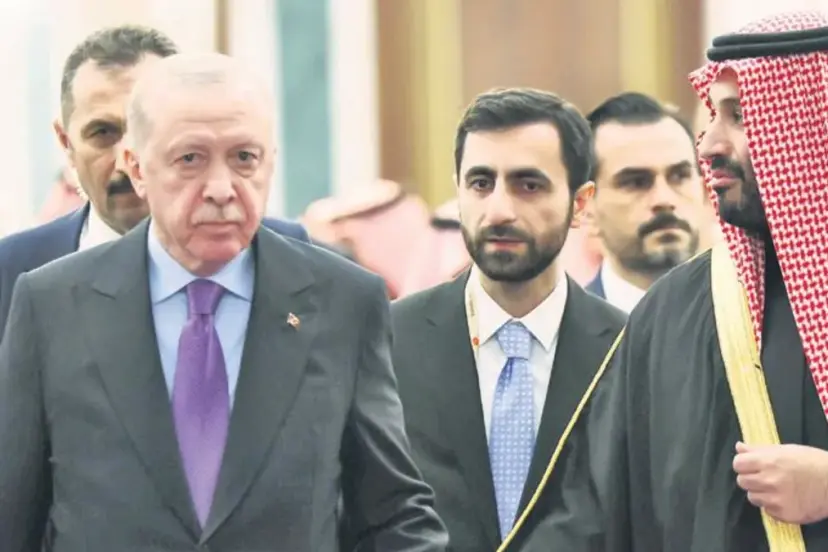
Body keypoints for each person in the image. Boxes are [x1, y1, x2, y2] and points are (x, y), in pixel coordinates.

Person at [0, 52, 447, 551]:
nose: (220, 189)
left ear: (271, 161)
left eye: (244, 158)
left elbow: (393, 516)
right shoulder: (52, 306)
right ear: (137, 168)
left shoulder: (343, 301)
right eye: (190, 159)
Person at [520, 10, 828, 551]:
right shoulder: (677, 308)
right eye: (713, 114)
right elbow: (595, 512)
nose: (708, 145)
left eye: (739, 116)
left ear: (811, 126)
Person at [390, 88, 626, 552]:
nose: (499, 210)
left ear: (580, 204)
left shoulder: (625, 350)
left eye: (528, 185)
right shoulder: (391, 340)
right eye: (481, 183)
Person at [0, 25, 308, 341]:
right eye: (103, 133)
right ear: (66, 142)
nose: (127, 161)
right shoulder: (14, 271)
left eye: (147, 132)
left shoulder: (296, 261)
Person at [583, 92, 709, 312]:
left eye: (680, 176)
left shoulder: (750, 317)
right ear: (586, 208)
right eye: (636, 182)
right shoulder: (565, 329)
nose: (664, 200)